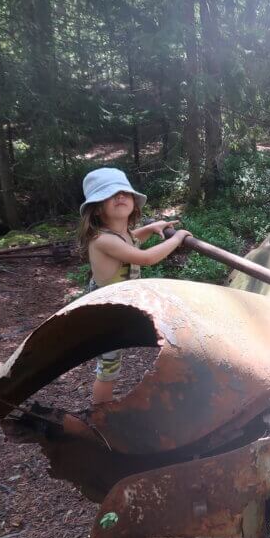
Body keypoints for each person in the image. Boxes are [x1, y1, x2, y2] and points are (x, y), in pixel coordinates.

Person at [77, 167, 191, 404]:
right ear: (97, 208)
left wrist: (151, 228)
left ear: (133, 202)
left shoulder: (122, 235)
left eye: (124, 193)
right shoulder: (102, 240)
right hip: (105, 314)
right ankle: (99, 414)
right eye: (111, 195)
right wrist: (178, 238)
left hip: (122, 306)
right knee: (108, 369)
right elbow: (147, 258)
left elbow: (134, 238)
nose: (120, 196)